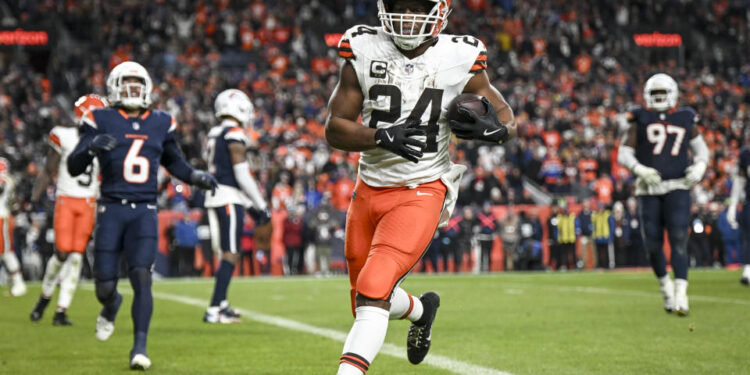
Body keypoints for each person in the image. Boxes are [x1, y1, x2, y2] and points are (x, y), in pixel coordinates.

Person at [325, 0, 515, 372]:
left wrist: (499, 131)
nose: (407, 17)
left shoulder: (460, 55)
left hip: (422, 187)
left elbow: (506, 115)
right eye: (400, 6)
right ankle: (421, 309)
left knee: (373, 289)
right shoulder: (363, 47)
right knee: (367, 298)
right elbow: (335, 127)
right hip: (368, 188)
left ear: (439, 11)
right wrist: (380, 136)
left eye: (417, 8)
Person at [67, 61, 217, 369]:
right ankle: (111, 305)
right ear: (113, 87)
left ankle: (139, 348)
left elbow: (176, 163)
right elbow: (73, 166)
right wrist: (91, 146)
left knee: (141, 276)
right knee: (105, 286)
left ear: (147, 89)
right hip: (110, 208)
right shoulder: (100, 118)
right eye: (126, 84)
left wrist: (196, 177)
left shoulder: (161, 121)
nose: (132, 90)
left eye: (138, 84)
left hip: (145, 210)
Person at [617, 73, 709, 315]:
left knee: (679, 238)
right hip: (648, 188)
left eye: (662, 93)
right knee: (653, 244)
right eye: (654, 94)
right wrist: (639, 169)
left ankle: (681, 294)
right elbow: (623, 153)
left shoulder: (686, 117)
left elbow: (702, 151)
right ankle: (666, 287)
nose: (658, 98)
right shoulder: (640, 117)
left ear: (672, 94)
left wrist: (700, 166)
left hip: (677, 185)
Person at [29, 94, 107, 326]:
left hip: (89, 202)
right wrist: (35, 197)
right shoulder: (64, 136)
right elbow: (48, 170)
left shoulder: (105, 140)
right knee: (62, 252)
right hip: (66, 199)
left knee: (76, 256)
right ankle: (44, 298)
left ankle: (61, 310)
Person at [203, 89, 270, 323]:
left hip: (218, 194)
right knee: (230, 253)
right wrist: (261, 204)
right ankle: (214, 309)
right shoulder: (233, 132)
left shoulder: (215, 132)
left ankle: (221, 303)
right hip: (227, 197)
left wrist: (251, 205)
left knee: (227, 251)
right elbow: (240, 174)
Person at [0, 157, 26, 297]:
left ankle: (18, 283)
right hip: (4, 215)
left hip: (1, 218)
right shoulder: (10, 180)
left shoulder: (5, 181)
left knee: (5, 252)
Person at [727, 144, 750, 285]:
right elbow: (740, 180)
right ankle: (748, 270)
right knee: (747, 236)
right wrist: (733, 205)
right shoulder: (746, 155)